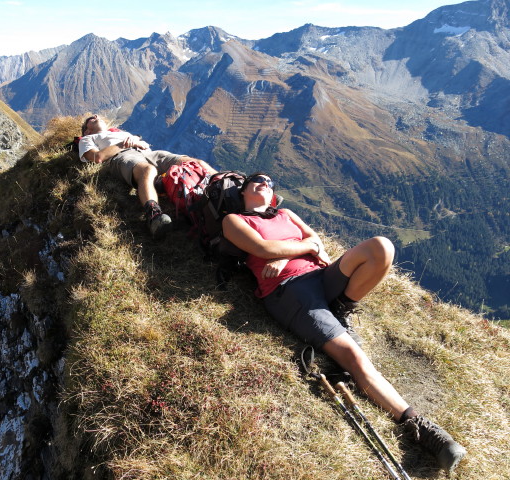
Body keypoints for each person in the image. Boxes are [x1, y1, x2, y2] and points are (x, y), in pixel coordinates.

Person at [222, 172, 467, 473]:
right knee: (354, 357)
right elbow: (264, 250)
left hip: (320, 277)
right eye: (255, 180)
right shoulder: (235, 220)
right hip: (290, 292)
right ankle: (422, 429)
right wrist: (302, 249)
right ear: (242, 191)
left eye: (269, 182)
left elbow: (315, 240)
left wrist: (293, 252)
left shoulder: (285, 213)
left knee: (381, 247)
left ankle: (340, 307)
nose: (264, 183)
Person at [79, 114, 216, 239]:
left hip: (150, 153)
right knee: (148, 170)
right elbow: (97, 157)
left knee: (194, 162)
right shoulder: (87, 139)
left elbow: (137, 140)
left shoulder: (119, 132)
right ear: (87, 130)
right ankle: (154, 215)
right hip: (122, 156)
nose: (96, 116)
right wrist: (126, 143)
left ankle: (224, 181)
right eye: (91, 119)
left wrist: (135, 139)